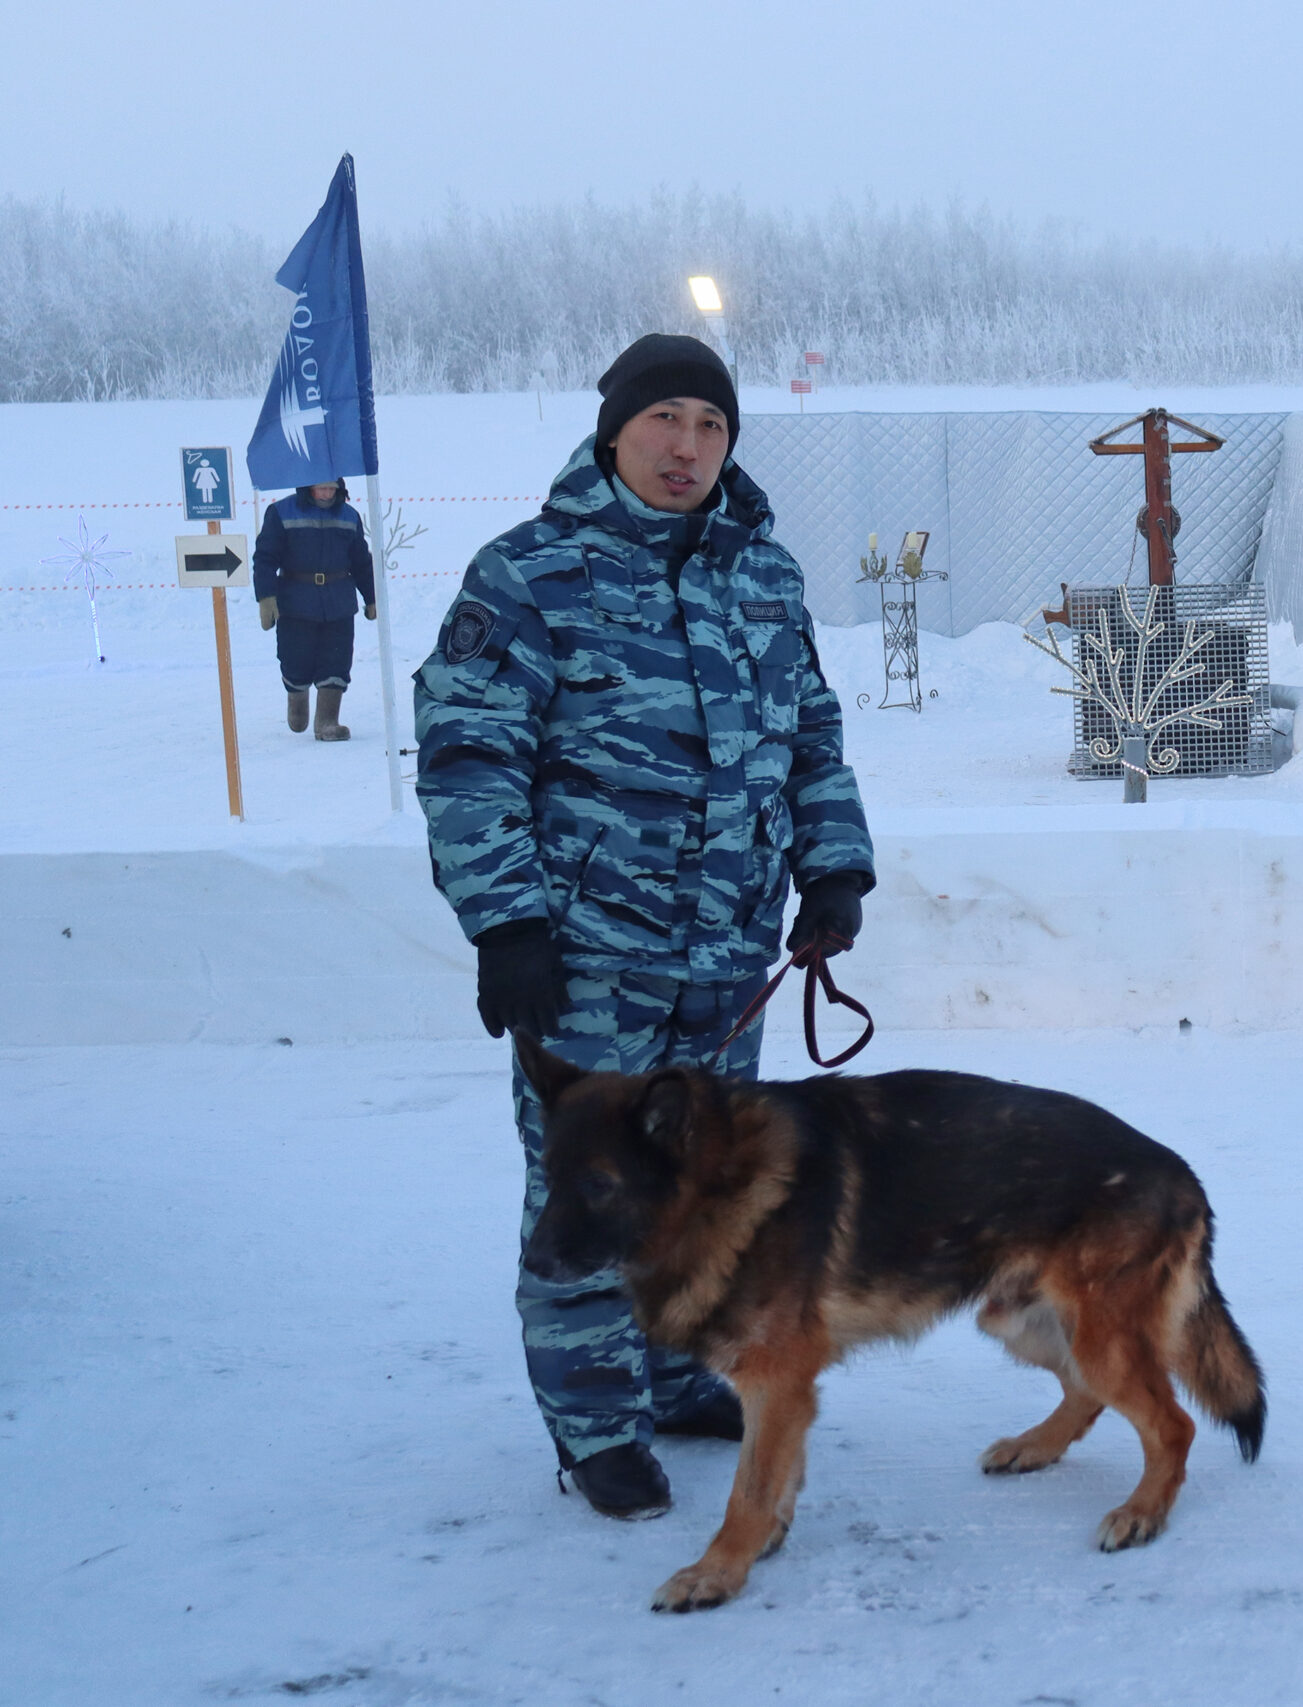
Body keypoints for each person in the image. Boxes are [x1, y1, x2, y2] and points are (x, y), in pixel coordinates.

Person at [414, 333, 876, 1521]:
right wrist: (506, 920)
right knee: (584, 1196)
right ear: (614, 429)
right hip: (586, 970)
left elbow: (811, 736)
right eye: (665, 418)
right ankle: (592, 1425)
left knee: (706, 1187)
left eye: (711, 426)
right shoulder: (528, 575)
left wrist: (832, 869)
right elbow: (469, 759)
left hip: (729, 959)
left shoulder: (761, 577)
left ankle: (674, 1374)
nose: (687, 446)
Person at [251, 477, 376, 740]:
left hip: (339, 600)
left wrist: (371, 597)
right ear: (308, 486)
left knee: (337, 660)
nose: (327, 492)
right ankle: (297, 702)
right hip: (296, 600)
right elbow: (264, 558)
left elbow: (362, 561)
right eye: (322, 487)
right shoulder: (281, 512)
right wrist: (266, 597)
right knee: (295, 658)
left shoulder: (349, 516)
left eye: (332, 487)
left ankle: (328, 723)